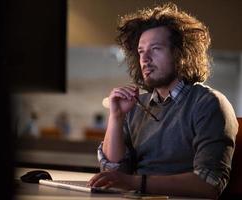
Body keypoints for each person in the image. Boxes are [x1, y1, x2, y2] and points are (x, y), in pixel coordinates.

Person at [87, 3, 238, 199]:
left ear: (181, 54)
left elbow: (209, 184)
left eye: (155, 49)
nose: (145, 59)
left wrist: (134, 182)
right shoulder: (134, 106)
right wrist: (116, 117)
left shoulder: (208, 103)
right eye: (141, 51)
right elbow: (113, 171)